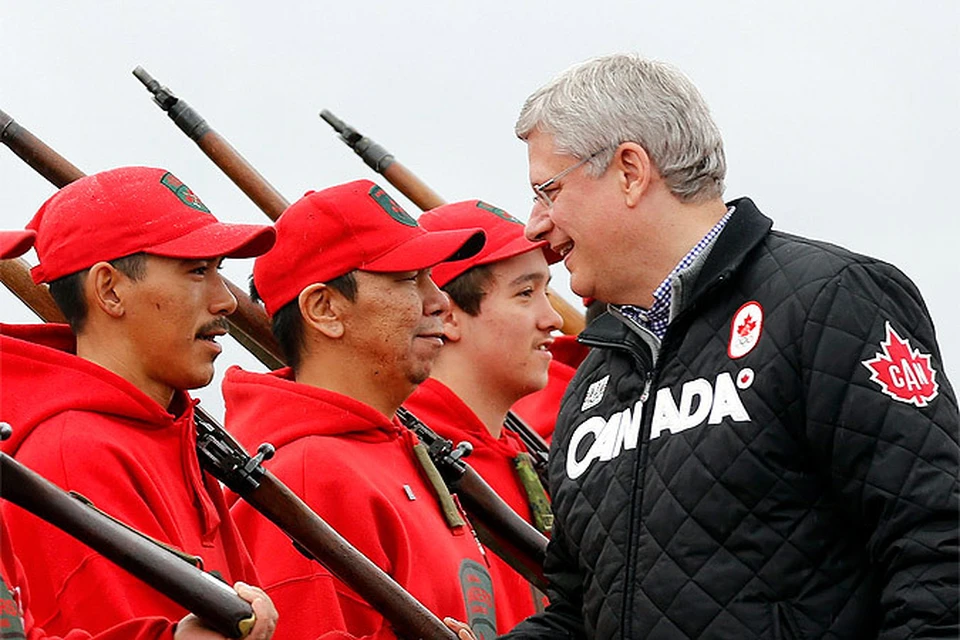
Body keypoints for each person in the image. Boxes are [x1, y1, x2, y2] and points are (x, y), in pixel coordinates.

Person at [451, 53, 959, 639]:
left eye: (547, 190)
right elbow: (576, 611)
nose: (534, 225)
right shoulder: (595, 381)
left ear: (630, 171)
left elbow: (939, 549)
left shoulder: (832, 301)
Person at [0, 168, 278, 637]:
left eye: (218, 271)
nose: (225, 301)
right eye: (196, 271)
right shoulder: (77, 453)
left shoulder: (171, 430)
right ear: (109, 290)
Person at [223, 180, 503, 639]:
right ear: (325, 308)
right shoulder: (309, 474)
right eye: (408, 279)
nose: (439, 301)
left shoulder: (394, 448)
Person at [403, 199, 561, 628]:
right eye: (526, 293)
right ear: (447, 315)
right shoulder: (403, 464)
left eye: (545, 291)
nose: (552, 319)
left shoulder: (529, 460)